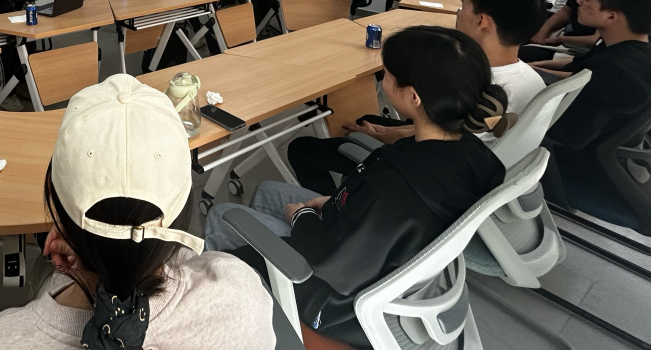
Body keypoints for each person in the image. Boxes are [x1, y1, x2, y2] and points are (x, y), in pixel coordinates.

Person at [205, 27, 507, 348]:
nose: (383, 79)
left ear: (413, 96)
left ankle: (215, 311)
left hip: (333, 298)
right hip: (387, 251)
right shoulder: (478, 155)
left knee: (223, 215)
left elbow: (332, 262)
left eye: (386, 75)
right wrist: (334, 203)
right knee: (268, 191)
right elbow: (372, 219)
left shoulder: (393, 186)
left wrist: (302, 217)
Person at [0, 75, 275, 349]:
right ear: (182, 207)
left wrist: (80, 247)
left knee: (45, 278)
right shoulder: (240, 294)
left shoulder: (0, 340)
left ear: (53, 198)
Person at [289, 0, 546, 193]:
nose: (458, 11)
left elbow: (439, 140)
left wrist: (381, 137)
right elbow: (452, 129)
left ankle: (335, 208)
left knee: (302, 149)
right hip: (481, 168)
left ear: (482, 21)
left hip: (435, 176)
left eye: (464, 4)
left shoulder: (469, 82)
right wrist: (385, 131)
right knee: (366, 119)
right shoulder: (532, 79)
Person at [540, 0, 651, 214]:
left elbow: (565, 135)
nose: (578, 1)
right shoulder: (632, 54)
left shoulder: (614, 71)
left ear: (611, 16)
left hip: (574, 167)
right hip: (615, 162)